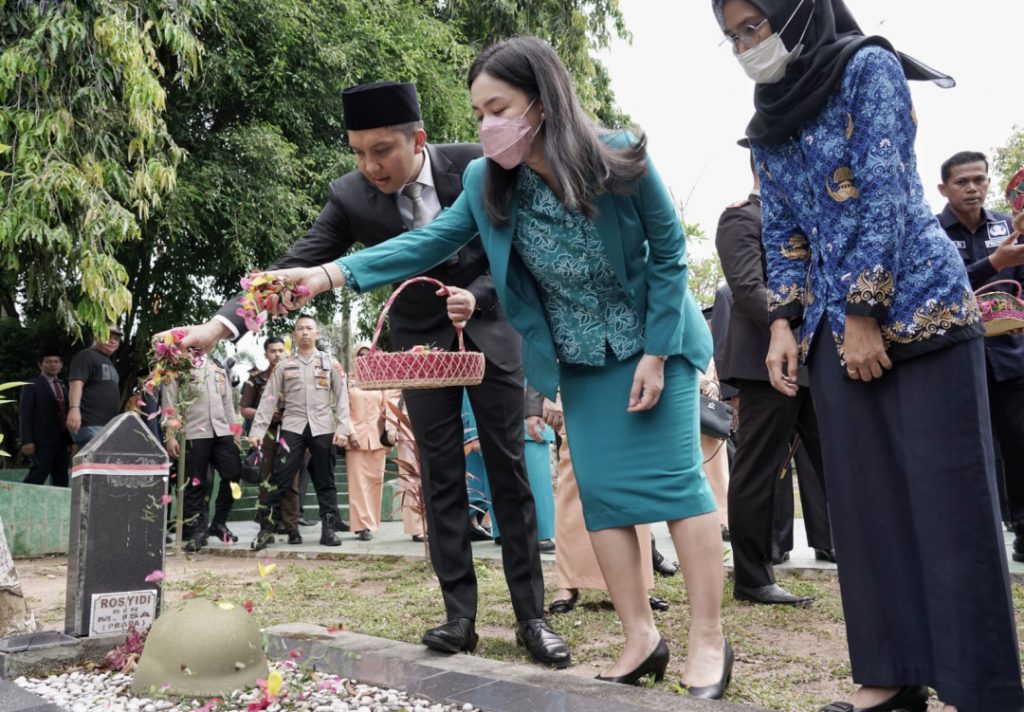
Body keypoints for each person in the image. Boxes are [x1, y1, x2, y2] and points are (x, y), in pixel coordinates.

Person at [270, 36, 729, 697]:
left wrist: (656, 354)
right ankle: (641, 639)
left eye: (497, 109)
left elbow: (668, 255)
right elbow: (428, 242)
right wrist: (329, 275)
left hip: (655, 341)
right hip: (579, 356)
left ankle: (709, 641)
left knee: (677, 487)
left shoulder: (617, 154)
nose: (486, 126)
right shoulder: (490, 180)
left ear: (541, 104)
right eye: (478, 112)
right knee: (603, 498)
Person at [167, 80, 565, 668]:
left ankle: (532, 617)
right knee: (439, 476)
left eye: (381, 150)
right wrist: (219, 328)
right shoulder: (351, 196)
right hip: (417, 348)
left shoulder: (478, 166)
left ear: (418, 140)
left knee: (508, 471)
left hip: (490, 328)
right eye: (357, 151)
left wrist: (476, 297)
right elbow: (293, 269)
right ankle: (459, 616)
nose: (369, 165)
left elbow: (519, 250)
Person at [713, 1, 1024, 710]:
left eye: (751, 26)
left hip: (920, 312)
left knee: (949, 505)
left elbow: (885, 193)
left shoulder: (868, 67)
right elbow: (786, 228)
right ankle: (889, 677)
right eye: (730, 36)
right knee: (865, 511)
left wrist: (863, 312)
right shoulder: (768, 117)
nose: (742, 46)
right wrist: (786, 325)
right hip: (831, 330)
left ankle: (982, 689)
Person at [714, 144, 831, 605]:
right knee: (758, 472)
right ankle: (752, 577)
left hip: (814, 360)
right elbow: (747, 290)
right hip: (766, 363)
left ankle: (861, 554)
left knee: (838, 464)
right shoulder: (741, 218)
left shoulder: (809, 218)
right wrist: (797, 324)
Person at [936, 151, 1024, 559]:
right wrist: (993, 263)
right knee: (967, 447)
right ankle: (974, 532)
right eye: (961, 182)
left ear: (989, 182)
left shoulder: (1009, 227)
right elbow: (940, 289)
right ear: (944, 189)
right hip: (956, 359)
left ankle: (1022, 528)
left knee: (1019, 441)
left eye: (979, 180)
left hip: (1011, 356)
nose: (972, 188)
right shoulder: (932, 234)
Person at [539, 394, 668, 615]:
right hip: (576, 377)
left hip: (629, 376)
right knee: (574, 473)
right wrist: (548, 392)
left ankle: (637, 585)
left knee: (631, 475)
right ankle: (567, 581)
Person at [247, 315, 350, 550]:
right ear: (294, 335)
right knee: (279, 477)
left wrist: (343, 428)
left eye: (309, 328)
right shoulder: (285, 365)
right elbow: (269, 398)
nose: (304, 332)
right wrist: (258, 430)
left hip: (323, 426)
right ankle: (266, 529)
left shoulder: (329, 362)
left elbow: (342, 396)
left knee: (325, 479)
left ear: (317, 334)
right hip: (292, 426)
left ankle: (328, 529)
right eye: (300, 329)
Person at [162, 357, 243, 552]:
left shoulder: (217, 367)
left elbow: (227, 403)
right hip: (193, 432)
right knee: (195, 483)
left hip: (221, 431)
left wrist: (235, 431)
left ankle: (219, 523)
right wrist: (171, 435)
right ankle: (196, 530)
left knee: (233, 474)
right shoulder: (177, 366)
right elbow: (169, 403)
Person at [240, 336, 307, 540]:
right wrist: (266, 413)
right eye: (273, 351)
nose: (277, 355)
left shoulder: (296, 375)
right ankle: (267, 523)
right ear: (266, 354)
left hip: (292, 432)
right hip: (267, 433)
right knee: (267, 479)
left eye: (280, 350)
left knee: (291, 480)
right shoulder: (256, 379)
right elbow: (244, 410)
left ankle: (291, 526)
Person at [344, 344, 395, 542]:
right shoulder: (347, 381)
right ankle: (361, 525)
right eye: (362, 355)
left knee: (375, 482)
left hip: (376, 439)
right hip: (355, 439)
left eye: (370, 356)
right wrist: (350, 431)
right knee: (357, 484)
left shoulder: (380, 381)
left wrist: (389, 434)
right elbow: (342, 408)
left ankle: (371, 523)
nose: (366, 359)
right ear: (355, 357)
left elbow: (387, 410)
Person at [18, 350, 71, 487]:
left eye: (56, 362)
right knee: (37, 475)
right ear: (40, 365)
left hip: (62, 441)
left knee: (61, 477)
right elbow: (25, 413)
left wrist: (71, 440)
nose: (53, 365)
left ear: (61, 365)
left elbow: (67, 413)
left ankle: (60, 507)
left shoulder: (64, 385)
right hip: (41, 441)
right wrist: (27, 440)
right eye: (48, 362)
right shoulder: (32, 385)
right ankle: (23, 504)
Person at [66, 324, 122, 447]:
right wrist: (74, 409)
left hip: (106, 425)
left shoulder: (107, 361)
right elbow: (76, 383)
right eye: (108, 336)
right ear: (96, 336)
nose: (112, 341)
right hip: (90, 423)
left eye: (116, 339)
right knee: (97, 463)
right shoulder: (86, 355)